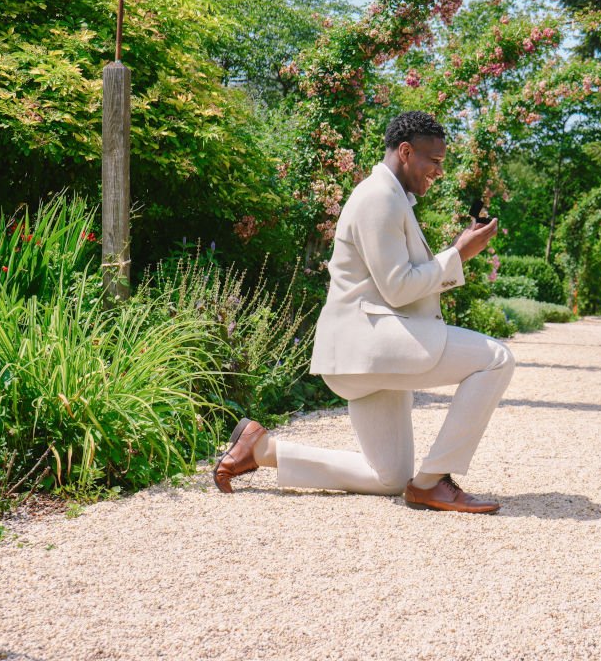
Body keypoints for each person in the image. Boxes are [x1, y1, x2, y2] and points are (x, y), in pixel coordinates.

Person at [213, 111, 512, 514]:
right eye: (434, 161)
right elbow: (398, 286)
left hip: (368, 350)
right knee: (496, 359)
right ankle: (434, 481)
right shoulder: (378, 197)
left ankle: (261, 449)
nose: (439, 171)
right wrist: (457, 254)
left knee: (388, 478)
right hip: (369, 344)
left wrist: (456, 253)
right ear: (405, 152)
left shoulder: (390, 196)